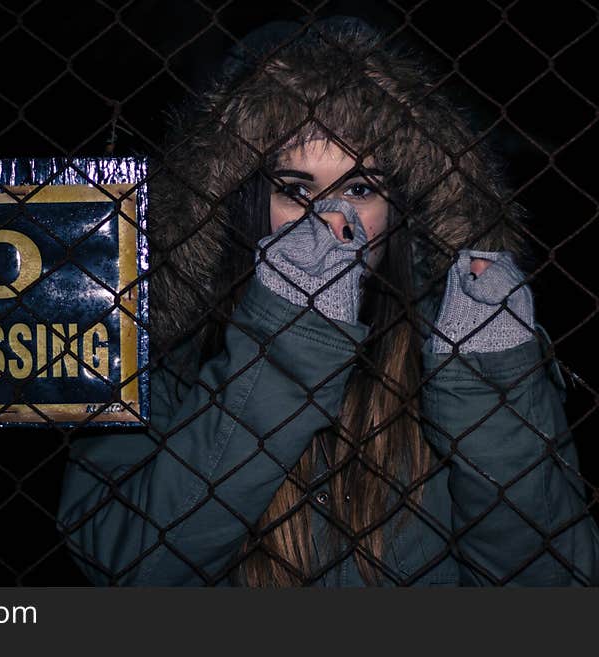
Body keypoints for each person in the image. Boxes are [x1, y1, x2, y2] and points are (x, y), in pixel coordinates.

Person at [56, 16, 599, 586]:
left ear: (402, 208)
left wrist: (486, 389)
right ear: (238, 203)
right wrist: (287, 345)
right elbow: (133, 570)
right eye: (296, 191)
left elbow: (552, 590)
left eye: (360, 190)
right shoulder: (162, 361)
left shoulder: (464, 349)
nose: (332, 221)